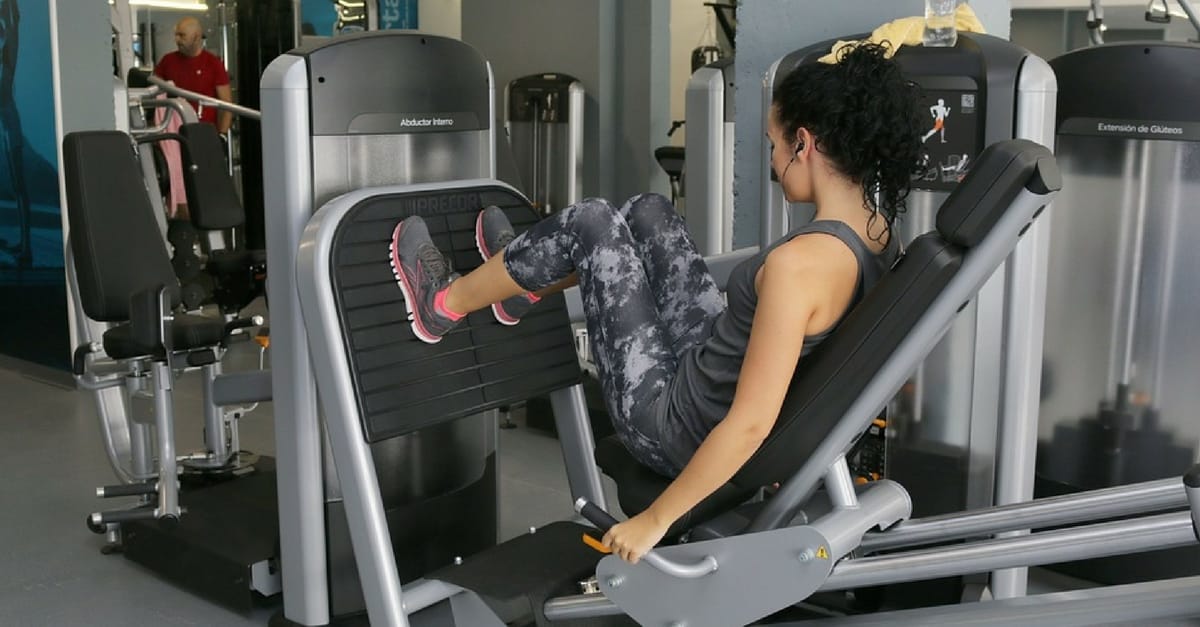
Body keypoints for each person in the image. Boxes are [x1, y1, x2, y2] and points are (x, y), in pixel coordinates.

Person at [388, 43, 922, 564]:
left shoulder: (799, 267)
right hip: (708, 373)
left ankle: (444, 302)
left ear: (803, 143)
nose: (774, 162)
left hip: (672, 425)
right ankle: (522, 279)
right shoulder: (879, 236)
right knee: (649, 211)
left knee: (591, 221)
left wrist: (656, 519)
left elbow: (751, 425)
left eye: (774, 146)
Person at [153, 16, 233, 136]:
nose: (177, 40)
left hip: (204, 132)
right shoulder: (167, 61)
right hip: (173, 132)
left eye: (182, 35)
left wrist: (222, 134)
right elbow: (153, 91)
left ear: (196, 37)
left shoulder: (213, 63)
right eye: (176, 35)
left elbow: (226, 104)